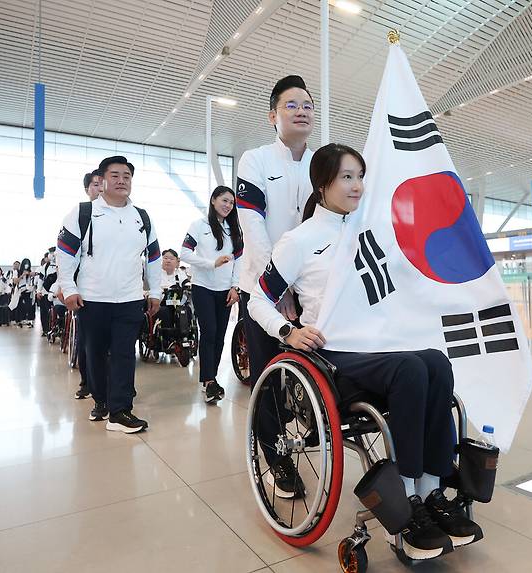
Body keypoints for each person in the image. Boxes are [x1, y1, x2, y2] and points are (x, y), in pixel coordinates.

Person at [248, 143, 482, 560]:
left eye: (360, 176)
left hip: (379, 347)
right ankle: (407, 503)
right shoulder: (298, 241)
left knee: (436, 363)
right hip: (334, 356)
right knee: (411, 369)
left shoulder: (368, 232)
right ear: (322, 185)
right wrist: (288, 331)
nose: (357, 185)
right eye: (346, 177)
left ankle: (431, 492)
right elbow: (256, 299)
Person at [236, 75, 315, 494]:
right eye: (291, 105)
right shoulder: (256, 160)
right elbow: (253, 225)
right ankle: (278, 461)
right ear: (273, 115)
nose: (301, 110)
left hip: (310, 290)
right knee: (267, 379)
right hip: (262, 291)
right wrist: (277, 286)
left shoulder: (323, 161)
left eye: (307, 105)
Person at [57, 156, 161, 433]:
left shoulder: (142, 217)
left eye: (126, 176)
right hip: (92, 299)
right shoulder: (83, 213)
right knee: (95, 353)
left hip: (129, 298)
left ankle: (120, 410)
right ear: (101, 181)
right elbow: (65, 253)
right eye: (114, 175)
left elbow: (153, 258)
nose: (121, 180)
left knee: (124, 354)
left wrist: (155, 291)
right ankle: (101, 400)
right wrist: (69, 288)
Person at [181, 186, 242, 402]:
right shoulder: (199, 225)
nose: (228, 206)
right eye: (224, 200)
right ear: (214, 200)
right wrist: (211, 264)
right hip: (203, 287)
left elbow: (239, 260)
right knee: (209, 332)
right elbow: (184, 253)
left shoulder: (234, 229)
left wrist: (235, 287)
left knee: (220, 336)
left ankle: (211, 377)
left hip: (226, 290)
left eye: (231, 203)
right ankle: (209, 381)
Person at [73, 168, 105, 400]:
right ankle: (87, 381)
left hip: (115, 292)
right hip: (86, 292)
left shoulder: (122, 215)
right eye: (95, 184)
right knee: (87, 341)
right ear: (87, 189)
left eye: (102, 183)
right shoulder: (81, 215)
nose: (100, 188)